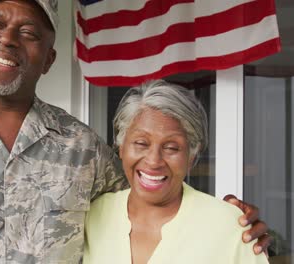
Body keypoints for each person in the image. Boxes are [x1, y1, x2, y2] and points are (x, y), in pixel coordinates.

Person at [0, 1, 269, 263]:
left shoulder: (84, 149)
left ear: (48, 59)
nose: (6, 38)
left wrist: (232, 224)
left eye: (28, 32)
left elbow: (147, 200)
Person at [83, 80, 269, 264]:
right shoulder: (89, 216)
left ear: (192, 157)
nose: (154, 161)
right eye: (141, 143)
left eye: (171, 148)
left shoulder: (230, 225)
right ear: (121, 147)